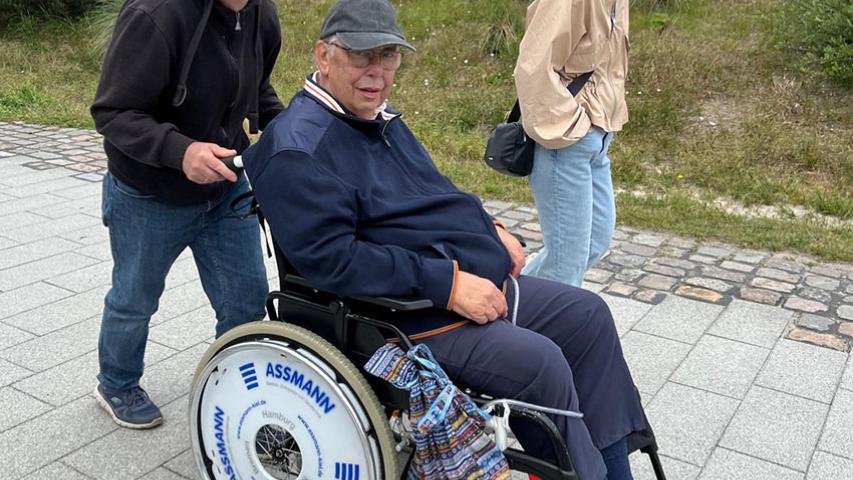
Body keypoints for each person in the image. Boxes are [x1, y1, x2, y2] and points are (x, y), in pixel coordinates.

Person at [243, 1, 644, 478]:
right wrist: (448, 285)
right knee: (542, 364)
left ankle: (615, 468)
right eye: (361, 56)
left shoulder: (377, 118)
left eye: (388, 56)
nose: (377, 72)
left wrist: (491, 228)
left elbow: (435, 192)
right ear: (323, 57)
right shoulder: (298, 149)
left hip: (465, 279)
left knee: (587, 316)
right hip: (404, 314)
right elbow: (332, 260)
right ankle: (580, 472)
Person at [90, 0, 284, 429]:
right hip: (148, 192)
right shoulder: (156, 14)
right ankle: (116, 383)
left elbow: (258, 89)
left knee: (246, 299)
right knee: (135, 299)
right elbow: (112, 111)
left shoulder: (261, 15)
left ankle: (232, 385)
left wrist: (292, 131)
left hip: (227, 184)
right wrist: (181, 151)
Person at [515, 0, 630, 288]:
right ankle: (526, 311)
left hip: (599, 137)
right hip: (566, 141)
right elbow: (534, 67)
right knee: (565, 265)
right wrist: (570, 127)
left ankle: (511, 299)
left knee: (593, 243)